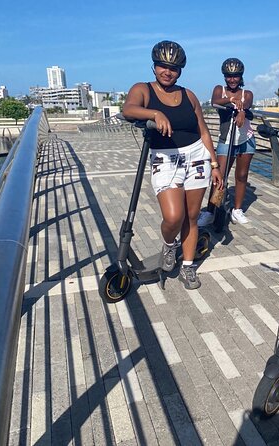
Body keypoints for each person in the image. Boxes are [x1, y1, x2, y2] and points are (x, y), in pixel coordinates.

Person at [122, 40, 223, 290]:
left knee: (191, 216)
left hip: (196, 156)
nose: (167, 71)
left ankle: (188, 265)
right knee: (173, 216)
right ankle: (170, 246)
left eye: (174, 68)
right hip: (165, 159)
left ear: (180, 70)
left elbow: (203, 132)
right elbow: (129, 109)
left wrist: (215, 164)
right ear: (154, 67)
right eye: (162, 66)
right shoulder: (143, 89)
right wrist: (155, 114)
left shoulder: (189, 95)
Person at [197, 57, 255, 226]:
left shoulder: (247, 93)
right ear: (224, 76)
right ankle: (210, 211)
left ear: (241, 76)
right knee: (219, 177)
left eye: (236, 76)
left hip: (246, 139)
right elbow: (215, 102)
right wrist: (231, 100)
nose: (232, 79)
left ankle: (237, 210)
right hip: (226, 140)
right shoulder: (219, 90)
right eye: (229, 76)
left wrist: (242, 110)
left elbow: (248, 103)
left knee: (242, 175)